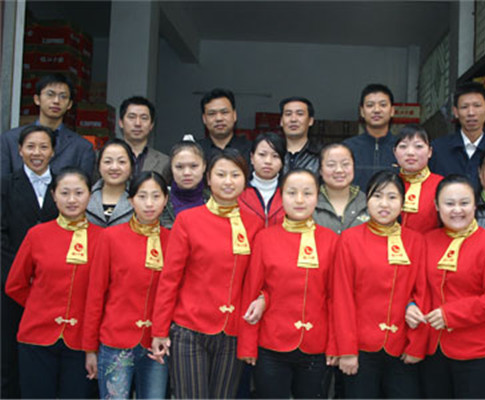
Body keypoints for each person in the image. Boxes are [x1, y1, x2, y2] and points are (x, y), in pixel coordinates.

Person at [150, 149, 264, 398]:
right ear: (208, 179)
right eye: (221, 174)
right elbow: (170, 279)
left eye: (235, 175)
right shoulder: (188, 220)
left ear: (245, 180)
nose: (228, 181)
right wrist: (159, 330)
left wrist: (264, 297)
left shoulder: (254, 224)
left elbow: (263, 275)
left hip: (232, 330)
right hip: (190, 327)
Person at [238, 168, 338, 398]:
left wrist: (335, 344)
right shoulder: (264, 238)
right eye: (292, 193)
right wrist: (247, 345)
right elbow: (252, 291)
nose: (299, 200)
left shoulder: (331, 240)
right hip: (271, 343)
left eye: (307, 193)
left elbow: (335, 298)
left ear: (318, 197)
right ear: (281, 196)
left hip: (316, 343)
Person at [5, 168, 102, 398]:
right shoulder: (37, 234)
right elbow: (15, 285)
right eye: (64, 193)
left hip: (81, 338)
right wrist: (40, 305)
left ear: (90, 196)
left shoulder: (103, 238)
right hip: (37, 334)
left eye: (79, 193)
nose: (72, 200)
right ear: (53, 196)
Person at [412, 174, 485, 398]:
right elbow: (413, 286)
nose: (457, 210)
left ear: (475, 205)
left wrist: (450, 315)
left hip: (477, 350)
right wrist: (410, 305)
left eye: (464, 203)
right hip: (434, 350)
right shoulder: (427, 240)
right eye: (449, 203)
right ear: (437, 206)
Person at [333, 170, 428, 398]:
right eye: (377, 196)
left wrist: (416, 345)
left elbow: (422, 293)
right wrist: (346, 350)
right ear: (367, 200)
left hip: (402, 345)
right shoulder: (350, 239)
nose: (384, 204)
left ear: (403, 203)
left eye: (392, 197)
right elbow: (342, 297)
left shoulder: (415, 241)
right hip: (361, 348)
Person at [83, 171, 170, 399]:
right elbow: (95, 293)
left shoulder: (173, 240)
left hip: (156, 342)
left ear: (166, 200)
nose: (149, 204)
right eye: (142, 196)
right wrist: (90, 348)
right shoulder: (110, 237)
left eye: (156, 196)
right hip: (116, 339)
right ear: (130, 200)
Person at [1, 125, 59, 398]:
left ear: (53, 152)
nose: (37, 153)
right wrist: (20, 273)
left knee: (46, 353)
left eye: (44, 147)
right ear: (20, 150)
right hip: (11, 283)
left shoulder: (64, 185)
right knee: (7, 352)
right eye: (31, 147)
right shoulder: (5, 185)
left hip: (52, 287)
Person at [1, 73, 95, 178]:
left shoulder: (82, 147)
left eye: (63, 96)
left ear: (69, 104)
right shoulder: (10, 139)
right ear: (37, 99)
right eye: (50, 94)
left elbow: (82, 185)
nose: (56, 101)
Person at [429, 81, 485, 188]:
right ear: (455, 112)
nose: (471, 113)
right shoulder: (437, 150)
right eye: (464, 107)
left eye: (477, 106)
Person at [343, 83, 398, 191]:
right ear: (362, 112)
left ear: (392, 111)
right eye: (370, 105)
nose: (376, 110)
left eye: (383, 105)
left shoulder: (402, 148)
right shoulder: (347, 148)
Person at [393, 124, 444, 233]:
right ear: (395, 152)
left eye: (418, 146)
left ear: (430, 152)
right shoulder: (388, 184)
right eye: (403, 146)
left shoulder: (442, 185)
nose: (410, 153)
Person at [313, 143, 369, 234]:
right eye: (331, 165)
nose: (339, 170)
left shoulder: (368, 203)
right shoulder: (309, 203)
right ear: (320, 170)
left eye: (345, 164)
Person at [238, 132, 286, 227]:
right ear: (252, 158)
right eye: (262, 154)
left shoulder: (289, 193)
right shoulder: (239, 191)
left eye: (275, 156)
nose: (268, 161)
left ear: (282, 162)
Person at [119, 96, 171, 182]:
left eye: (144, 118)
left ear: (151, 125)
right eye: (132, 117)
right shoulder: (105, 158)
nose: (137, 123)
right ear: (121, 122)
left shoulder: (165, 162)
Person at [86, 139, 135, 227]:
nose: (114, 167)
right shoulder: (84, 196)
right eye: (108, 162)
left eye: (122, 162)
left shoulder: (140, 199)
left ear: (131, 166)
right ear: (99, 165)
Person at [160, 141, 209, 229]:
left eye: (193, 166)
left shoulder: (216, 200)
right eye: (179, 167)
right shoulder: (159, 202)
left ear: (204, 166)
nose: (186, 173)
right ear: (171, 168)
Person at [197, 88, 251, 162]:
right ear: (204, 118)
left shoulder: (250, 150)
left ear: (234, 115)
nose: (219, 118)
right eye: (212, 113)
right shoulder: (196, 151)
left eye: (224, 112)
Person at [279, 97, 321, 175]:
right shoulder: (273, 153)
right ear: (281, 121)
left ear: (310, 121)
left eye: (300, 114)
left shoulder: (321, 155)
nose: (293, 119)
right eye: (288, 114)